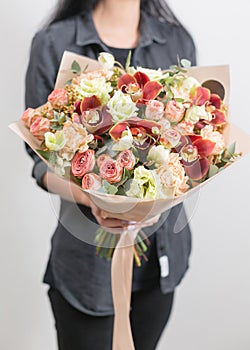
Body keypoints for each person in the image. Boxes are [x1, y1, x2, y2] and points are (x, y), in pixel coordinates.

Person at [24, 0, 197, 349]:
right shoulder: (55, 42)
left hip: (160, 263)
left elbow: (195, 141)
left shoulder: (176, 40)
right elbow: (40, 159)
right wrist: (93, 196)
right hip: (84, 267)